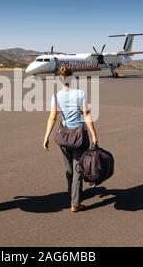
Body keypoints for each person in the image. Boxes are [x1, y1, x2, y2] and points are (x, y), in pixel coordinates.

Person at [43, 66, 99, 212]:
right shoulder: (80, 94)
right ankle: (75, 202)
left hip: (64, 137)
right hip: (78, 136)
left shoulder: (55, 96)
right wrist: (93, 134)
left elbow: (52, 117)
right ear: (71, 78)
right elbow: (86, 115)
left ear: (59, 79)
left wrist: (46, 136)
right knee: (77, 169)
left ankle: (71, 192)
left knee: (68, 167)